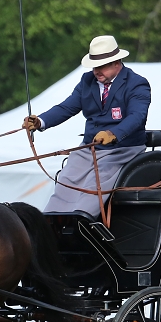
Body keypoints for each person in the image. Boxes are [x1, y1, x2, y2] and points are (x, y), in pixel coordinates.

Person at [23, 35, 151, 217]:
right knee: (66, 178)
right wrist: (40, 121)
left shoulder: (136, 83)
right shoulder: (87, 81)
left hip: (123, 148)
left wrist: (113, 133)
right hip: (89, 148)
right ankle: (52, 221)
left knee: (96, 181)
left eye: (102, 65)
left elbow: (137, 116)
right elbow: (67, 107)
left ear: (116, 62)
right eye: (94, 66)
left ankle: (81, 222)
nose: (97, 70)